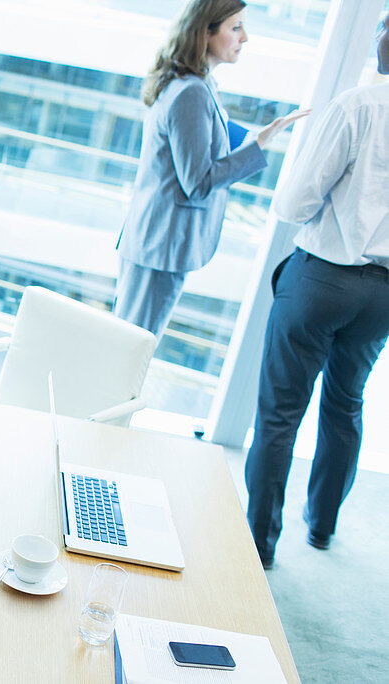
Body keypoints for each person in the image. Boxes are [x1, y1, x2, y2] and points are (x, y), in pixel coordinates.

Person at [244, 16, 389, 570]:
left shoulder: (359, 106)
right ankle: (322, 526)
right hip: (382, 298)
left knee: (280, 413)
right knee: (346, 402)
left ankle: (259, 543)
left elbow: (293, 203)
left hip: (324, 278)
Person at [113, 0, 307, 336]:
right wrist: (259, 146)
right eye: (236, 27)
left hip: (157, 244)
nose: (244, 37)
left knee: (129, 346)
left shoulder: (197, 85)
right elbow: (198, 182)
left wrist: (259, 137)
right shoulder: (192, 92)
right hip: (161, 247)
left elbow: (206, 143)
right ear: (206, 31)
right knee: (130, 348)